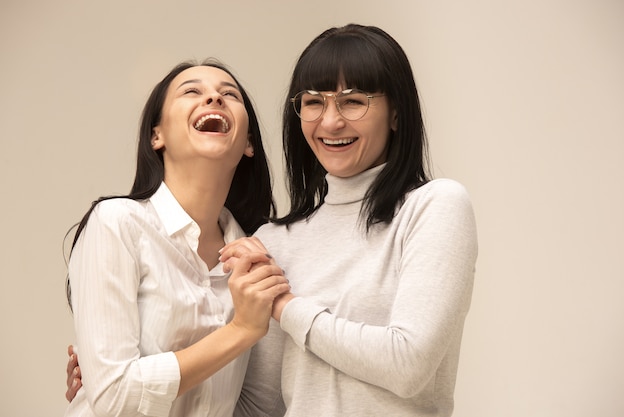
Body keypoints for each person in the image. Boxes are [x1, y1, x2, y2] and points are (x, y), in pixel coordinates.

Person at [67, 23, 478, 416]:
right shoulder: (271, 243)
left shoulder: (434, 206)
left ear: (396, 113)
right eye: (314, 102)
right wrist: (112, 379)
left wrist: (284, 305)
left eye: (354, 101)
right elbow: (256, 406)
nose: (331, 121)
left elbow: (408, 365)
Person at [64, 58, 290, 417]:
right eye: (192, 92)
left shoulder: (260, 259)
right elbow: (115, 399)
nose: (214, 98)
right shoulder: (118, 224)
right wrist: (241, 331)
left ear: (248, 143)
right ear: (157, 136)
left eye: (228, 94)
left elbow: (258, 405)